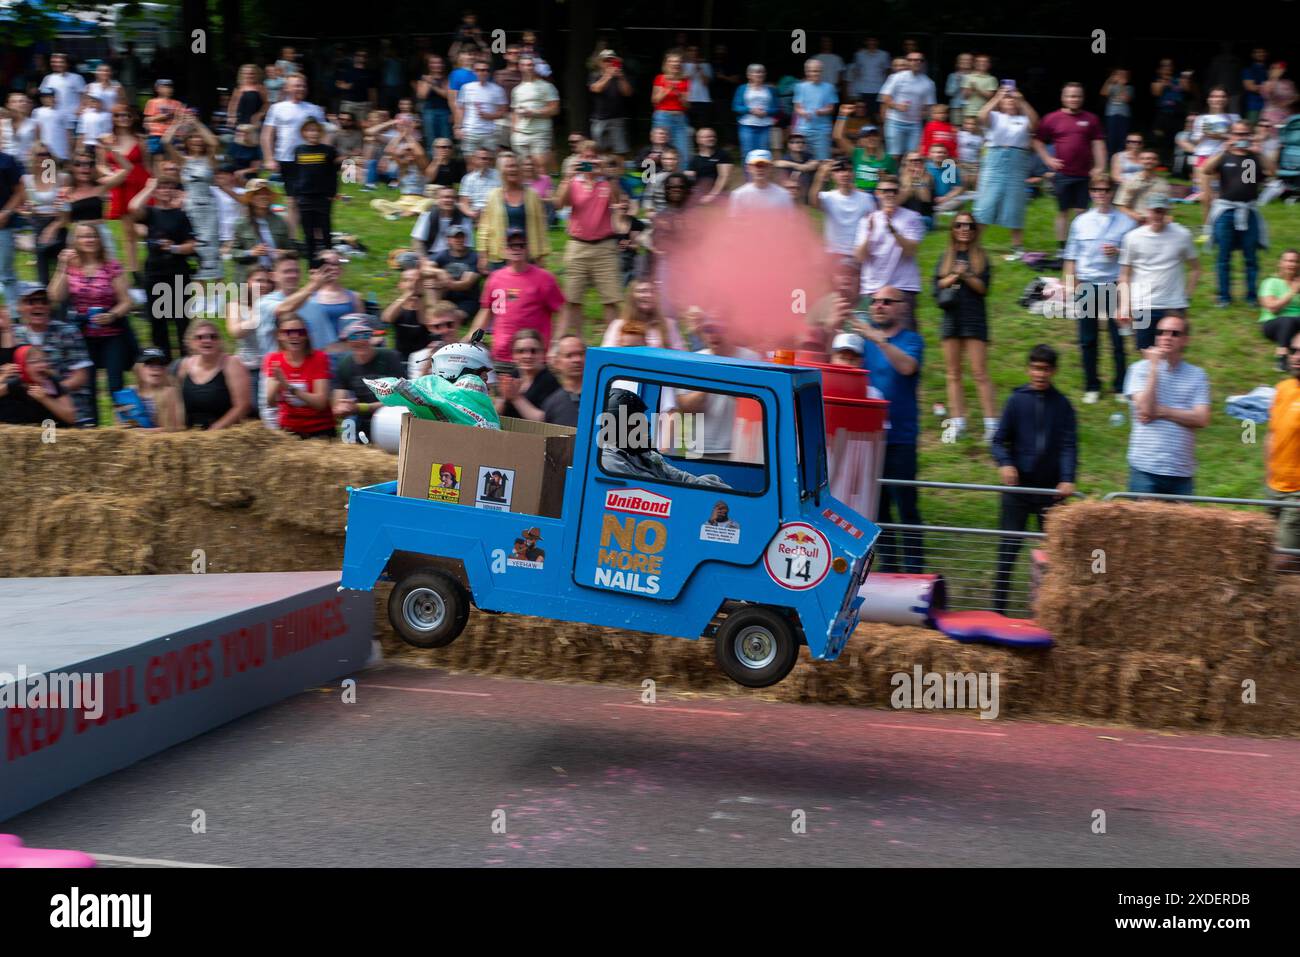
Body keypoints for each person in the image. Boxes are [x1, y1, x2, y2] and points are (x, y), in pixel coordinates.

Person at [989, 344, 1078, 613]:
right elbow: (997, 441)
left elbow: (1068, 445)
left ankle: (1048, 612)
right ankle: (997, 611)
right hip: (1017, 490)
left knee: (1053, 554)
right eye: (1035, 368)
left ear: (1053, 371)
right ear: (1028, 369)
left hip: (1050, 493)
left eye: (1045, 369)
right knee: (1008, 551)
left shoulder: (1063, 406)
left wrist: (1067, 477)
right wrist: (1005, 463)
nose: (1039, 374)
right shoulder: (1016, 401)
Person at [856, 285, 924, 573]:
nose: (879, 306)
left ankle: (914, 572)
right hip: (869, 439)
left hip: (900, 439)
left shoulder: (911, 340)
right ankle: (888, 569)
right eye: (874, 301)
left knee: (906, 509)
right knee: (877, 511)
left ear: (902, 307)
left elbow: (907, 367)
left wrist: (879, 340)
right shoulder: (861, 341)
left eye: (887, 301)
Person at [47, 224, 134, 424]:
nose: (89, 240)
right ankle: (92, 429)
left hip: (112, 333)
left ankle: (125, 428)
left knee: (115, 385)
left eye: (93, 236)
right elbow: (54, 296)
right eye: (84, 237)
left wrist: (111, 315)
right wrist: (61, 267)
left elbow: (127, 301)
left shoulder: (111, 266)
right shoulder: (71, 267)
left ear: (99, 239)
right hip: (83, 335)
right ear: (75, 241)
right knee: (88, 387)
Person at [1063, 175, 1136, 404]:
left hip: (1115, 284)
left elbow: (1134, 258)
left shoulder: (1126, 222)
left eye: (1105, 190)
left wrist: (1118, 253)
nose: (1100, 194)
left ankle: (1121, 386)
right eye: (1096, 190)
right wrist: (1069, 285)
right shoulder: (1080, 221)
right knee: (1087, 339)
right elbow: (1070, 256)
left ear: (1112, 192)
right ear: (1091, 192)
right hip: (1087, 284)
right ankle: (1092, 385)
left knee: (1118, 339)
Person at [1124, 314, 1210, 495]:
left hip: (1182, 473)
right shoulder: (1139, 369)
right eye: (1161, 332)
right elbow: (1146, 409)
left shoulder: (1197, 375)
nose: (1166, 337)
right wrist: (1153, 368)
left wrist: (1162, 411)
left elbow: (1202, 419)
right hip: (1145, 469)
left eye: (1174, 333)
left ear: (1185, 340)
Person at [935, 212, 996, 442]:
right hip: (951, 317)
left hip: (974, 317)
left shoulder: (981, 256)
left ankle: (992, 425)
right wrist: (953, 276)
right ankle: (958, 422)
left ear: (974, 230)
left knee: (980, 373)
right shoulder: (946, 256)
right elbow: (937, 284)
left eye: (968, 225)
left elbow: (984, 288)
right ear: (953, 229)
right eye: (959, 225)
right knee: (953, 374)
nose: (964, 229)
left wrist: (966, 274)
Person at [467, 229, 565, 362]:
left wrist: (556, 343)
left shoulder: (545, 278)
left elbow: (563, 311)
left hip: (534, 356)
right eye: (512, 245)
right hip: (501, 356)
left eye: (521, 245)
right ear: (504, 249)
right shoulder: (494, 278)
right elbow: (486, 311)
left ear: (528, 248)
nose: (516, 249)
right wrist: (471, 340)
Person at [1033, 82, 1107, 259]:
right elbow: (1037, 141)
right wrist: (1048, 159)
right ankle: (1062, 248)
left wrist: (1100, 167)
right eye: (1070, 96)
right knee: (1063, 212)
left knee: (1082, 213)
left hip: (1084, 174)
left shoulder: (1091, 119)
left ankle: (1080, 245)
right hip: (1063, 174)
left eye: (1077, 96)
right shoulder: (1052, 118)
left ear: (1082, 98)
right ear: (1063, 97)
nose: (1074, 99)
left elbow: (1098, 144)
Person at [1202, 120, 1271, 308]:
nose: (1241, 138)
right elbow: (1206, 169)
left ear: (1249, 135)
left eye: (1245, 134)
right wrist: (1224, 149)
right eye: (1238, 134)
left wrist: (1259, 151)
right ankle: (1224, 297)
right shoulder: (1224, 156)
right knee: (1223, 257)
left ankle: (1251, 296)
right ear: (1231, 135)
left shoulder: (1253, 157)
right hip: (1226, 212)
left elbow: (1271, 171)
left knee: (1251, 257)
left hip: (1248, 210)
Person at [555, 149, 623, 338]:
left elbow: (618, 200)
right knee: (573, 299)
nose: (590, 162)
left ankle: (613, 342)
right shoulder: (574, 183)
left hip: (605, 246)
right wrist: (568, 177)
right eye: (586, 158)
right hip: (577, 245)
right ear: (579, 160)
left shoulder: (606, 183)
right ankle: (579, 340)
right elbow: (559, 204)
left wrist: (607, 174)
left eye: (594, 157)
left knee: (611, 299)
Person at [601, 387, 729, 488]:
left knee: (713, 479)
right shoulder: (609, 461)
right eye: (636, 422)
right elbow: (649, 494)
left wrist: (717, 489)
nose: (645, 424)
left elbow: (680, 477)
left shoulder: (644, 453)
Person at [1117, 196, 1200, 350]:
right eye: (1155, 211)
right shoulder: (1132, 238)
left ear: (1167, 212)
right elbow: (1125, 274)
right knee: (1145, 351)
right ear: (1148, 212)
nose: (1158, 215)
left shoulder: (1182, 235)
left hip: (1174, 305)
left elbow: (1196, 268)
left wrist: (1187, 296)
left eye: (1161, 211)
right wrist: (1124, 305)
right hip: (1142, 305)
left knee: (1173, 352)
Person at [129, 176, 196, 360]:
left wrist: (173, 248)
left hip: (178, 273)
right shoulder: (150, 213)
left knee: (183, 321)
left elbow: (192, 244)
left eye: (170, 186)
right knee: (158, 322)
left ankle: (186, 362)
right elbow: (133, 208)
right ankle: (162, 362)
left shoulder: (181, 215)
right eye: (162, 186)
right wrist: (149, 188)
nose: (166, 190)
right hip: (155, 274)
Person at [8, 282, 93, 426]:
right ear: (19, 307)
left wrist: (51, 391)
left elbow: (81, 376)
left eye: (44, 301)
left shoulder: (68, 332)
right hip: (27, 411)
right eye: (31, 301)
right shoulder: (13, 336)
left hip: (68, 408)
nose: (39, 305)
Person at [974, 85, 1038, 260]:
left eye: (1012, 98)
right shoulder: (995, 116)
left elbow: (1035, 124)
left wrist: (1022, 100)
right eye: (1006, 98)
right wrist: (996, 97)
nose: (1010, 100)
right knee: (986, 202)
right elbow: (981, 116)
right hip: (995, 160)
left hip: (1017, 162)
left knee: (1014, 204)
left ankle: (1017, 247)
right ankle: (973, 243)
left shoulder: (1023, 119)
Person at [853, 175, 925, 329]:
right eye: (885, 191)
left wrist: (894, 232)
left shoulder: (912, 218)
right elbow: (859, 256)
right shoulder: (867, 220)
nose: (890, 194)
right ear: (878, 193)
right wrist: (869, 234)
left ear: (899, 194)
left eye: (893, 191)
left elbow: (910, 251)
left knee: (904, 338)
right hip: (872, 288)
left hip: (902, 288)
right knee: (868, 341)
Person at [260, 75, 326, 234]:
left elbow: (324, 134)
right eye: (296, 86)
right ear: (287, 88)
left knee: (311, 200)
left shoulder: (314, 110)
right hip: (287, 159)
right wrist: (269, 158)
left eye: (302, 86)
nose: (300, 89)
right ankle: (291, 238)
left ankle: (316, 237)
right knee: (292, 201)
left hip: (310, 159)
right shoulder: (277, 108)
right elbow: (267, 134)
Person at [164, 116, 222, 280]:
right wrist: (177, 124)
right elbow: (166, 142)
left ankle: (216, 291)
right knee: (195, 246)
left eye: (199, 137)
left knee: (211, 247)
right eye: (193, 137)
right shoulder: (183, 161)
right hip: (190, 207)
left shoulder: (209, 160)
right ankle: (199, 290)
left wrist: (196, 123)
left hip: (208, 208)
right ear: (187, 141)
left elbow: (214, 143)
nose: (196, 140)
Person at [274, 251, 363, 357]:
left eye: (336, 264)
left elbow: (362, 328)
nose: (331, 268)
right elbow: (283, 310)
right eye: (326, 264)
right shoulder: (308, 299)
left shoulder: (354, 296)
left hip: (347, 351)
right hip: (316, 354)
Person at [331, 317, 405, 441]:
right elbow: (337, 404)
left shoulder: (390, 357)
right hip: (362, 418)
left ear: (371, 337)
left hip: (390, 415)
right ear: (348, 342)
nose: (360, 341)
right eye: (354, 337)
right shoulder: (345, 363)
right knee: (349, 422)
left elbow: (401, 399)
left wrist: (362, 407)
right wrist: (342, 407)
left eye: (365, 335)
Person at [263, 312, 335, 439]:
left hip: (320, 429)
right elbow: (270, 402)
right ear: (279, 336)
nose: (295, 336)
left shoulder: (319, 358)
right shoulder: (273, 360)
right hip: (289, 430)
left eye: (300, 332)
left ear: (306, 335)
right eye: (288, 332)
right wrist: (277, 382)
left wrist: (288, 387)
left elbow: (320, 403)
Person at [477, 152, 547, 274]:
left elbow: (541, 227)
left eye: (515, 166)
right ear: (500, 171)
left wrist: (541, 256)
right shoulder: (493, 196)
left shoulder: (533, 195)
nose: (513, 169)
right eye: (508, 166)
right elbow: (484, 228)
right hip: (500, 257)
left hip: (527, 256)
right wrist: (483, 256)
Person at [174, 318, 251, 429]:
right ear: (192, 343)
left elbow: (242, 406)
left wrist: (214, 430)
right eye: (200, 337)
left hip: (223, 432)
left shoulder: (232, 363)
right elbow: (177, 402)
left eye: (213, 337)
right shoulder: (185, 365)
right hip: (190, 433)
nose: (207, 340)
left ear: (219, 341)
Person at [1265, 330, 1300, 570]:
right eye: (1294, 350)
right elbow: (1271, 433)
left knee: (1282, 562)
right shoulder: (1283, 388)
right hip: (1274, 488)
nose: (1296, 356)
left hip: (1297, 493)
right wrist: (1268, 476)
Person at [291, 118, 340, 264]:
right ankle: (312, 263)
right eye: (310, 130)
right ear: (303, 133)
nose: (313, 133)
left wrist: (332, 194)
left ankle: (329, 261)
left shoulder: (328, 151)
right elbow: (296, 173)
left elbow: (333, 174)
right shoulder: (299, 150)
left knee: (325, 230)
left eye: (317, 130)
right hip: (304, 197)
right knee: (308, 232)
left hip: (323, 197)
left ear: (321, 133)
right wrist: (296, 194)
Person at [225, 265, 272, 407]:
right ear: (248, 282)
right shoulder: (236, 305)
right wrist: (257, 312)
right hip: (248, 366)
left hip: (271, 367)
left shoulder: (276, 303)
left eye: (267, 281)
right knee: (251, 408)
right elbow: (235, 332)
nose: (263, 285)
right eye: (258, 280)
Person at [231, 179, 293, 283]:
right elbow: (234, 253)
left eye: (266, 193)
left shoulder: (280, 221)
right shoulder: (241, 224)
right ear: (251, 198)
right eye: (258, 194)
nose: (263, 196)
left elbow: (292, 249)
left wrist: (284, 253)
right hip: (252, 277)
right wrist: (251, 252)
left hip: (275, 275)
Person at [878, 51, 936, 161]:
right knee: (894, 155)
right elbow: (885, 97)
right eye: (912, 60)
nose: (916, 62)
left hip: (915, 124)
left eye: (919, 60)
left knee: (912, 156)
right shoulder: (896, 77)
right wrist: (896, 106)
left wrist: (925, 113)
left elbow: (929, 106)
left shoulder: (928, 83)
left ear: (923, 63)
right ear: (907, 62)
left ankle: (906, 178)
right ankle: (891, 178)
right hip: (895, 121)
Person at [493, 327, 560, 422]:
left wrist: (516, 398)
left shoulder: (550, 381)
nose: (527, 356)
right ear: (513, 355)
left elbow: (545, 419)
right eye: (520, 351)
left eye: (533, 351)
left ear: (543, 353)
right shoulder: (513, 375)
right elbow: (494, 416)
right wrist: (503, 398)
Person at [812, 158, 875, 257]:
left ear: (853, 174)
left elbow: (874, 225)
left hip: (857, 254)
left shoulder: (867, 198)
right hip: (833, 253)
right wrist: (821, 175)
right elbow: (813, 201)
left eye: (848, 170)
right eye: (839, 171)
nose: (845, 174)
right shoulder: (827, 197)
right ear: (833, 175)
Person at [0, 344, 76, 425]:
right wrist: (2, 377)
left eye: (43, 360)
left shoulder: (52, 381)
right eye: (34, 362)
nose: (42, 365)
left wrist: (45, 398)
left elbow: (70, 418)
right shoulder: (16, 383)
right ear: (22, 366)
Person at [601, 279, 685, 349]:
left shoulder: (669, 324)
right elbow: (607, 355)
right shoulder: (618, 325)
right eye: (642, 291)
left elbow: (680, 355)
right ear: (632, 296)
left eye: (652, 291)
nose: (648, 295)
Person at [511, 54, 559, 171]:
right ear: (520, 67)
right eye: (525, 65)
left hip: (540, 132)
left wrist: (534, 113)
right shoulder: (517, 89)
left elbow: (555, 109)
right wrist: (514, 131)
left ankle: (543, 189)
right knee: (522, 168)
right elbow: (514, 112)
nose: (528, 68)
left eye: (531, 65)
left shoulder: (547, 86)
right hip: (521, 134)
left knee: (540, 167)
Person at [454, 58, 507, 154]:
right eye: (479, 70)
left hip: (489, 133)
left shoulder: (497, 89)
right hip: (469, 132)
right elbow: (460, 109)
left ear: (489, 72)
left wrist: (489, 116)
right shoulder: (466, 88)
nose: (482, 73)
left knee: (489, 163)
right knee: (470, 164)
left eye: (485, 70)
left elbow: (503, 112)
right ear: (474, 71)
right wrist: (458, 127)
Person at [1259, 250, 1300, 371]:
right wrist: (1292, 292)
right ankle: (1282, 356)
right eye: (1288, 261)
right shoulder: (1270, 282)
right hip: (1273, 323)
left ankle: (1295, 352)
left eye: (1296, 261)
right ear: (1280, 263)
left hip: (1298, 323)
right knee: (1287, 320)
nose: (1292, 264)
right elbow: (1272, 308)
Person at [430, 226, 482, 320]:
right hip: (446, 297)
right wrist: (439, 271)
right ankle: (434, 309)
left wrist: (442, 283)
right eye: (455, 237)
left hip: (467, 300)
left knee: (454, 319)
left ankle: (435, 313)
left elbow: (466, 284)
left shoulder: (474, 256)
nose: (459, 240)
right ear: (448, 240)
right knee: (429, 279)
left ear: (466, 238)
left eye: (461, 237)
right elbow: (425, 267)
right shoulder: (443, 254)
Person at [834, 115, 894, 193]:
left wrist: (885, 178)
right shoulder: (856, 153)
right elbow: (838, 137)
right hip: (857, 195)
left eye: (875, 135)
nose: (871, 138)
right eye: (867, 136)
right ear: (861, 140)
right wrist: (843, 115)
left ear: (879, 138)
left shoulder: (888, 159)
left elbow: (895, 180)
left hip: (878, 198)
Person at [589, 50, 633, 155]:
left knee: (620, 152)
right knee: (598, 151)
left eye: (612, 60)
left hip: (617, 119)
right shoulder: (595, 75)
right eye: (606, 60)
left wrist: (621, 78)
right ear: (600, 63)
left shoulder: (621, 75)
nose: (609, 63)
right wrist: (608, 76)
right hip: (599, 120)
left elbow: (628, 93)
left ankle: (619, 171)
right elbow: (596, 88)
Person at [793, 59, 838, 161]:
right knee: (803, 161)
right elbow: (797, 107)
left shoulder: (829, 87)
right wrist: (803, 113)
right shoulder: (800, 87)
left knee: (823, 161)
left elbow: (831, 108)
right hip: (803, 130)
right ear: (807, 72)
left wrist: (821, 111)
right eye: (813, 71)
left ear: (822, 71)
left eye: (817, 71)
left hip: (822, 130)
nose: (815, 74)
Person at [651, 51, 691, 162]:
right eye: (672, 61)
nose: (675, 64)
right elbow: (654, 100)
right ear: (666, 64)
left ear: (681, 64)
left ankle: (682, 176)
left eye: (677, 61)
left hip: (680, 118)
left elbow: (687, 105)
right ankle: (661, 175)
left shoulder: (685, 80)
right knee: (661, 148)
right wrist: (667, 90)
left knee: (683, 149)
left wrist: (679, 94)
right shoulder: (660, 78)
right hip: (662, 117)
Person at [733, 64, 779, 160]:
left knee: (764, 154)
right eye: (756, 72)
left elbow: (776, 108)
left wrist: (766, 112)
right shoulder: (742, 88)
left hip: (765, 126)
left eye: (762, 72)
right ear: (749, 75)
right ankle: (748, 175)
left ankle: (763, 175)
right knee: (747, 153)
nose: (759, 74)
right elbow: (736, 106)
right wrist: (750, 110)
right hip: (746, 125)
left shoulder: (771, 89)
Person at [540, 334, 586, 427]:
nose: (577, 360)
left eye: (581, 354)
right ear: (557, 363)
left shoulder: (603, 395)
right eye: (569, 356)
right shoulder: (552, 403)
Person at [1114, 148, 1169, 222]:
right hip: (1132, 220)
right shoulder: (1129, 181)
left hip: (1155, 222)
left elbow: (1166, 207)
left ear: (1158, 162)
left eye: (1153, 159)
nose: (1149, 161)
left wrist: (1164, 218)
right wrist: (1133, 215)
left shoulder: (1163, 183)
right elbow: (1120, 205)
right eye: (1145, 159)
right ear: (1139, 161)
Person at [729, 150, 794, 212]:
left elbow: (790, 221)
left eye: (764, 165)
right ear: (748, 168)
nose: (760, 169)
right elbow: (734, 221)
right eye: (756, 165)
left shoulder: (783, 195)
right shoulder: (738, 195)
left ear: (770, 168)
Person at [0, 144, 22, 310]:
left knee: (6, 273)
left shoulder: (7, 161)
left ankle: (14, 315)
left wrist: (6, 212)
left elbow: (20, 192)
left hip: (3, 226)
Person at [686, 127, 733, 204]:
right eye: (707, 137)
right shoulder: (694, 159)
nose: (711, 138)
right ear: (698, 140)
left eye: (713, 136)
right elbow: (689, 179)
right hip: (700, 195)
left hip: (719, 194)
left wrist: (712, 195)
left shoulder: (722, 155)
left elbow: (724, 177)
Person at [848, 37, 891, 120]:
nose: (871, 42)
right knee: (862, 113)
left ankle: (876, 132)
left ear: (877, 42)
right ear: (866, 42)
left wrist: (887, 89)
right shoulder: (859, 55)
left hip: (879, 89)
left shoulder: (884, 55)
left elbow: (887, 72)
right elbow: (856, 72)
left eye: (874, 40)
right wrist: (854, 91)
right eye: (869, 40)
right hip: (863, 89)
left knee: (877, 114)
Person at [456, 147, 501, 225]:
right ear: (475, 160)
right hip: (475, 215)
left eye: (488, 159)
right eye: (483, 158)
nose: (486, 161)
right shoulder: (468, 178)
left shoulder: (498, 175)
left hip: (495, 213)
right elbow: (463, 203)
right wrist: (471, 213)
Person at [1100, 69, 1133, 157]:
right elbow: (1103, 93)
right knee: (1111, 136)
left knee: (1122, 136)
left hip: (1124, 115)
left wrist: (1122, 85)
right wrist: (1109, 80)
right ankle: (1110, 155)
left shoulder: (1129, 87)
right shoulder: (1111, 86)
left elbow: (1127, 99)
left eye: (1123, 75)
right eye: (1119, 74)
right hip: (1111, 114)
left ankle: (1120, 156)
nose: (1121, 76)